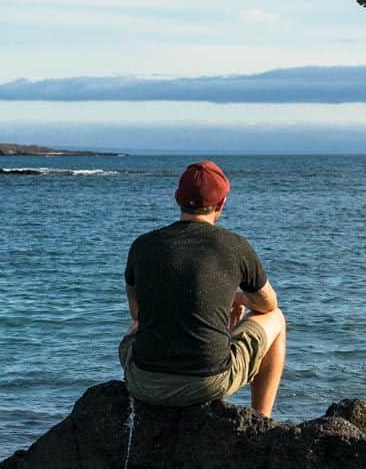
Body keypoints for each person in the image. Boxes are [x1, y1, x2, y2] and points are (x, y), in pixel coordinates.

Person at [118, 160, 286, 417]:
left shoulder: (142, 245)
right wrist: (237, 298)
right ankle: (262, 419)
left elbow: (137, 314)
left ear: (177, 198)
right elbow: (268, 304)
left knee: (137, 325)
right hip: (208, 384)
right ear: (221, 203)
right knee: (277, 318)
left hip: (144, 383)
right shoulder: (235, 246)